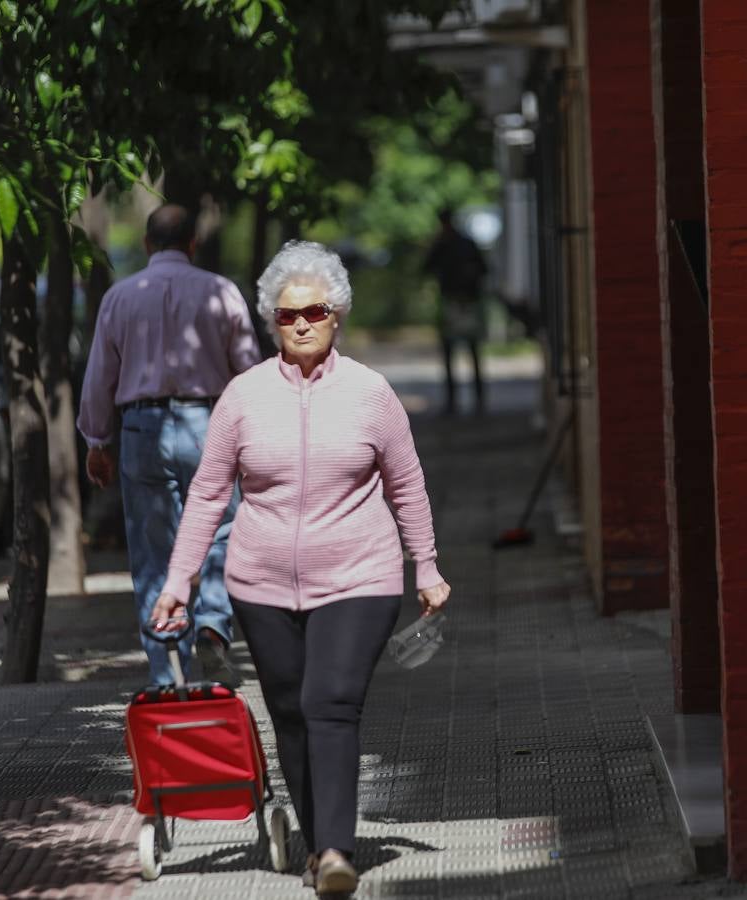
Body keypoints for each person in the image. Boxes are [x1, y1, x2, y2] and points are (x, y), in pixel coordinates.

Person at [149, 241, 452, 895]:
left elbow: (407, 484)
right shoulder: (243, 396)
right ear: (272, 322)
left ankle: (338, 850)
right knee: (289, 709)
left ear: (336, 313)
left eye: (314, 311)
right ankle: (319, 847)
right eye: (287, 316)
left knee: (328, 702)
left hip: (359, 576)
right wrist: (180, 583)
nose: (302, 324)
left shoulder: (371, 393)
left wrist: (424, 565)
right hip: (260, 582)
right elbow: (206, 493)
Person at [77, 204, 261, 688]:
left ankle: (166, 672)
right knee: (223, 531)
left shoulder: (120, 296)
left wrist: (98, 441)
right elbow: (248, 369)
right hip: (210, 425)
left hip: (142, 430)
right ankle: (213, 624)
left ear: (145, 244)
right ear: (193, 244)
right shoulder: (221, 292)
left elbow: (100, 375)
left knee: (155, 553)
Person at [423, 207, 489, 415]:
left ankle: (467, 402)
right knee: (463, 353)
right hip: (458, 302)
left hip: (461, 302)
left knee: (462, 353)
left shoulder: (454, 244)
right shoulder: (457, 243)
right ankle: (466, 401)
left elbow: (425, 268)